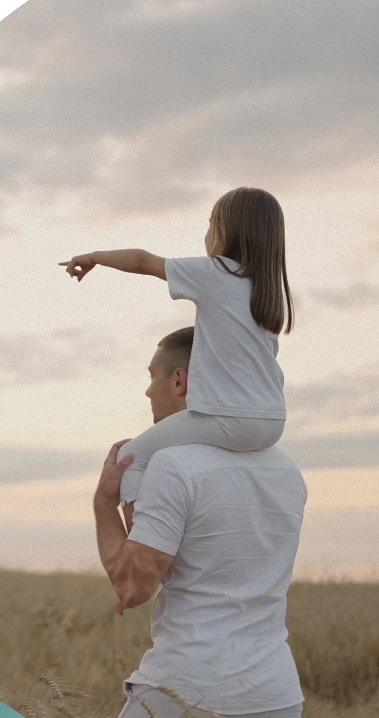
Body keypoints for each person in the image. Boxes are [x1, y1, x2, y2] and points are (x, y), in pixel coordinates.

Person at [92, 326, 308, 718]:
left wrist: (104, 503)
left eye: (152, 375)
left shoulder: (174, 464)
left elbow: (132, 586)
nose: (147, 390)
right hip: (273, 695)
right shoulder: (287, 471)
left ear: (179, 380)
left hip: (187, 688)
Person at [60, 187, 295, 530]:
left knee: (131, 457)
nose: (207, 233)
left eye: (212, 223)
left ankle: (142, 539)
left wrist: (94, 257)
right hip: (272, 422)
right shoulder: (267, 292)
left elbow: (143, 261)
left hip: (227, 417)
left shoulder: (215, 273)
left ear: (228, 230)